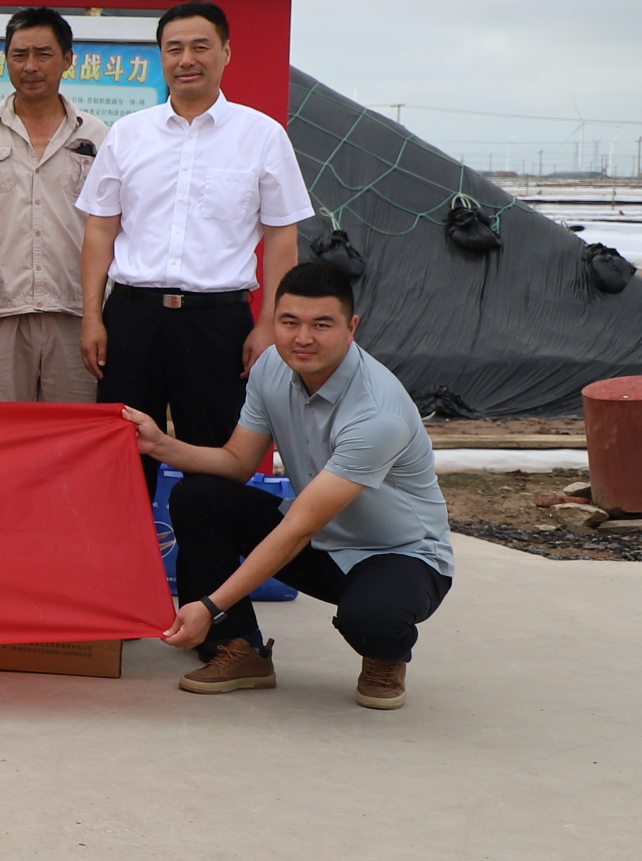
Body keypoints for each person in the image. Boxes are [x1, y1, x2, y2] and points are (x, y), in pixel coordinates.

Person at [128, 263, 453, 710]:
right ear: (274, 321)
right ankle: (241, 648)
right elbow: (237, 463)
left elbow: (299, 527)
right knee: (197, 496)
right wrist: (161, 445)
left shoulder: (378, 414)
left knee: (371, 620)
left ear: (351, 328)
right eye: (290, 322)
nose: (303, 338)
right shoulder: (271, 368)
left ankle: (385, 653)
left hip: (398, 553)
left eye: (322, 324)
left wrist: (210, 604)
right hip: (321, 542)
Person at [78, 0, 314, 493]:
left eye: (200, 47)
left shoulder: (262, 136)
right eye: (174, 48)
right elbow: (100, 229)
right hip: (132, 319)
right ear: (161, 57)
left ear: (226, 52)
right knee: (121, 457)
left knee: (216, 459)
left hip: (218, 324)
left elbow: (281, 236)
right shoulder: (128, 133)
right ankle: (131, 547)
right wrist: (93, 317)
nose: (187, 59)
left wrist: (269, 324)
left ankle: (209, 549)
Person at [0, 6, 112, 402]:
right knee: (2, 429)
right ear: (5, 59)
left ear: (67, 59)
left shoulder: (98, 136)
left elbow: (111, 226)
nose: (30, 66)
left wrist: (104, 311)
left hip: (75, 313)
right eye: (19, 55)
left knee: (72, 428)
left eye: (43, 54)